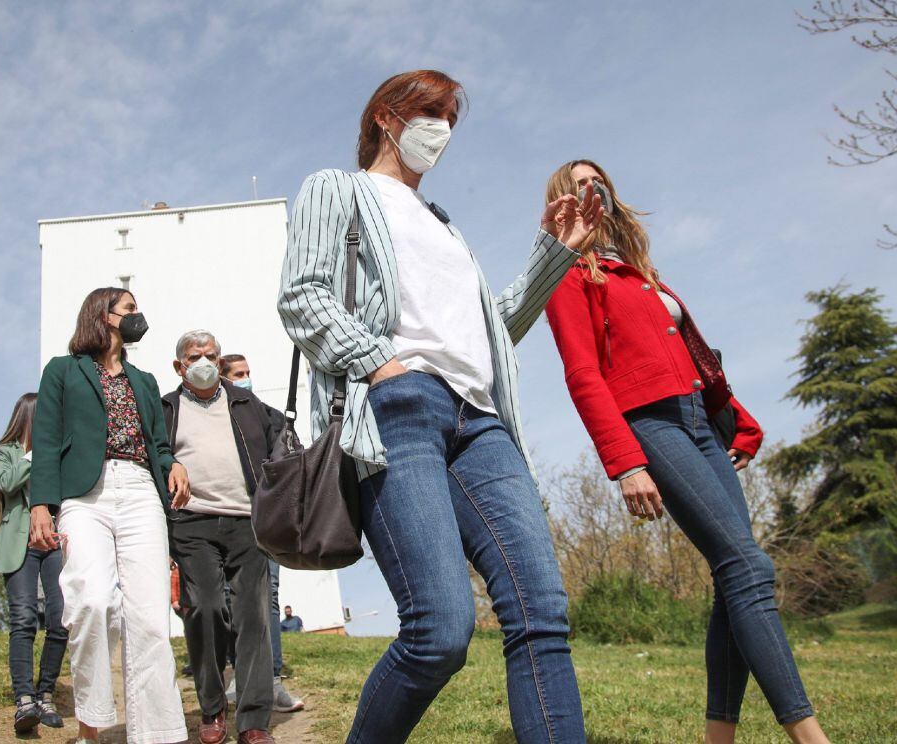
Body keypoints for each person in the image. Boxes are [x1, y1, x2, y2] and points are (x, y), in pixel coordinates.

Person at [277, 69, 602, 744]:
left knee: (541, 615)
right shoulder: (338, 189)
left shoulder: (444, 226)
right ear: (387, 119)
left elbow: (490, 331)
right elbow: (304, 296)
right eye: (432, 113)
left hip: (481, 422)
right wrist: (382, 365)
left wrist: (557, 256)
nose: (444, 130)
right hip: (400, 407)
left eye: (452, 117)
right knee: (440, 631)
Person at [543, 160, 831, 744]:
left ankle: (716, 739)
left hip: (699, 420)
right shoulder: (566, 273)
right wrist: (624, 461)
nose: (591, 189)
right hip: (649, 423)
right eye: (578, 183)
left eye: (598, 180)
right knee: (749, 567)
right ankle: (810, 737)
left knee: (735, 575)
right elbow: (582, 374)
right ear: (560, 199)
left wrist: (738, 421)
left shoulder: (641, 273)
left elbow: (692, 360)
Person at [29, 287, 190, 744]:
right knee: (92, 601)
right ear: (103, 316)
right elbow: (45, 439)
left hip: (140, 490)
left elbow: (158, 443)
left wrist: (173, 463)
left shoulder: (144, 380)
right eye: (130, 309)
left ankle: (157, 733)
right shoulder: (63, 371)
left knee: (152, 620)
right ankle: (91, 727)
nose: (138, 316)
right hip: (85, 493)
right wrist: (42, 503)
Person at [162, 330, 282, 744]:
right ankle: (212, 708)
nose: (206, 362)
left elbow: (282, 440)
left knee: (253, 616)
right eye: (196, 356)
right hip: (191, 523)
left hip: (248, 520)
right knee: (206, 609)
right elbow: (157, 457)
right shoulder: (166, 408)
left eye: (211, 355)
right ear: (179, 366)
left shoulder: (246, 403)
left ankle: (253, 720)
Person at [219, 352, 304, 714]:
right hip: (227, 519)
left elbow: (291, 460)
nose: (246, 378)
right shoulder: (211, 420)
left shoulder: (269, 415)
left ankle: (271, 680)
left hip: (265, 519)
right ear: (223, 378)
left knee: (268, 596)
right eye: (239, 374)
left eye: (248, 372)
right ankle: (241, 676)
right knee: (229, 598)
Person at [0, 392, 67, 734]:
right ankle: (25, 700)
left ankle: (46, 694)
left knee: (61, 618)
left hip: (54, 542)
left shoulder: (57, 455)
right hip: (19, 542)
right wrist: (35, 454)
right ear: (32, 416)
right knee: (22, 620)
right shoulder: (2, 452)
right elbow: (7, 484)